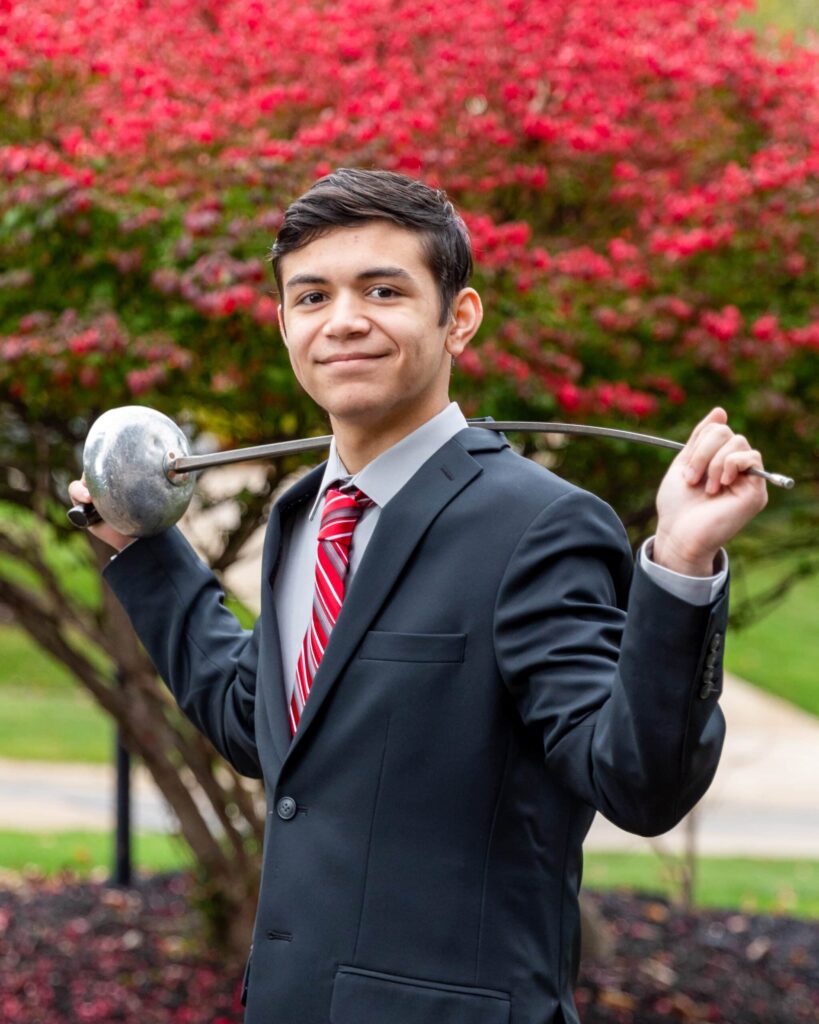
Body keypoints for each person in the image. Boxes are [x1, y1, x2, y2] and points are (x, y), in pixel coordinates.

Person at [69, 168, 768, 1024]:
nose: (344, 319)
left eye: (384, 289)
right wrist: (142, 548)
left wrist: (685, 560)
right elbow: (267, 729)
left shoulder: (538, 524)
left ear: (458, 319)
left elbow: (637, 782)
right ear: (285, 323)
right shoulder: (303, 515)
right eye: (313, 295)